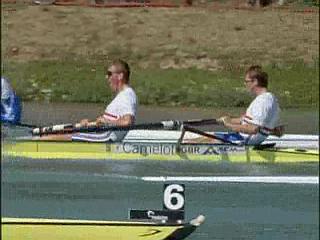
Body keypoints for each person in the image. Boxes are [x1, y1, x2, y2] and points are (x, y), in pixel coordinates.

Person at [71, 59, 137, 142]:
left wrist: (107, 122)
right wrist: (88, 125)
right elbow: (109, 121)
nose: (106, 77)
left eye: (109, 74)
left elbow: (127, 122)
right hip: (102, 134)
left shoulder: (127, 95)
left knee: (56, 137)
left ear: (120, 76)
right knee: (63, 133)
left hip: (106, 137)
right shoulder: (123, 95)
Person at [216, 65, 281, 145]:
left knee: (201, 140)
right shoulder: (270, 98)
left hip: (243, 141)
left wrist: (229, 125)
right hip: (244, 138)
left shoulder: (262, 102)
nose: (245, 84)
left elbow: (253, 129)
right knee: (205, 138)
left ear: (255, 82)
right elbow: (277, 131)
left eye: (247, 81)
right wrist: (228, 119)